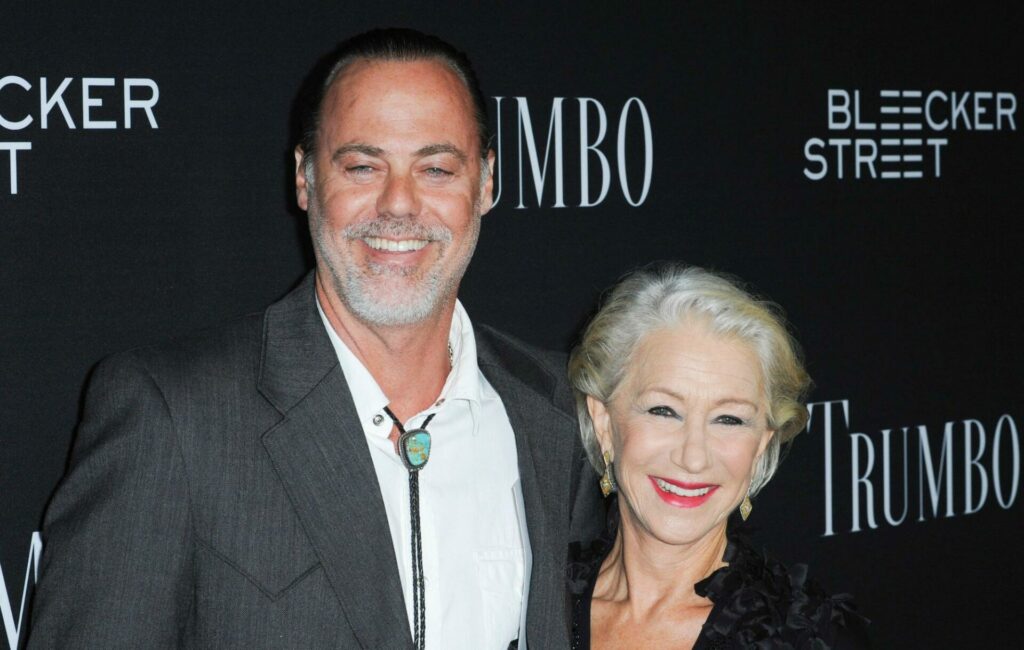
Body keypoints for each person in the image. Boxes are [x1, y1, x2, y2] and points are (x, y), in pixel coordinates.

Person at [29, 28, 603, 649]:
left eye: (435, 168)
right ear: (304, 179)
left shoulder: (555, 413)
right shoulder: (175, 415)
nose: (400, 204)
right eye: (362, 166)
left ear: (486, 183)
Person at [566, 264, 869, 648]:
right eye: (664, 411)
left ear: (761, 445)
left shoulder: (808, 638)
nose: (693, 458)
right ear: (604, 422)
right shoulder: (528, 598)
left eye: (729, 419)